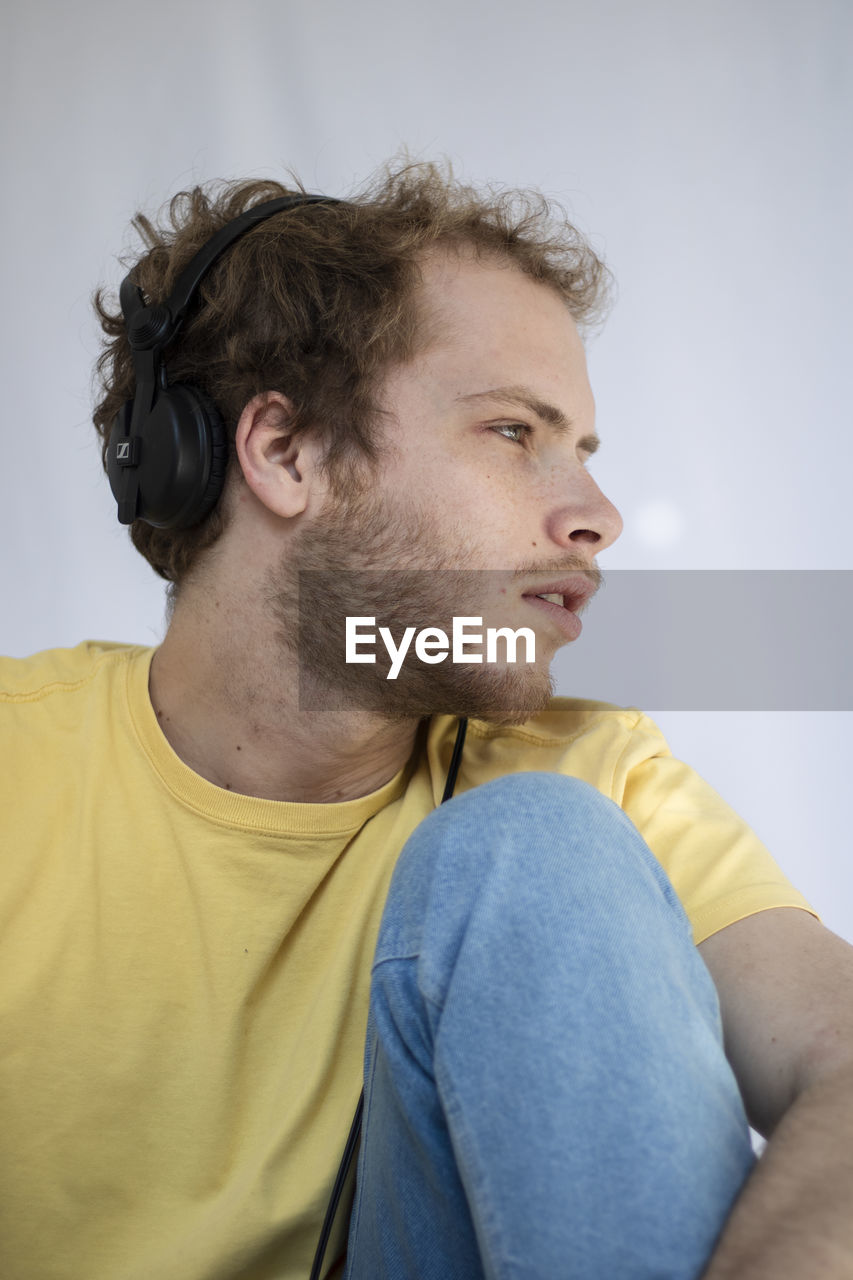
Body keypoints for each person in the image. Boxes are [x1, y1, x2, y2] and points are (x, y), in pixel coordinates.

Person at [1, 163, 852, 1280]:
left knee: (539, 843)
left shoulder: (590, 773)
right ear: (284, 452)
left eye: (582, 453)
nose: (595, 517)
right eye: (512, 432)